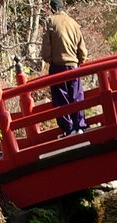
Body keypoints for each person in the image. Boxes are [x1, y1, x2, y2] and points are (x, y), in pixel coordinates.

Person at [41, 0, 88, 135]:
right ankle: (80, 125)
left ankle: (68, 128)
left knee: (61, 98)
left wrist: (49, 59)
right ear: (63, 8)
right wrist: (80, 61)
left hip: (57, 66)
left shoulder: (50, 22)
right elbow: (82, 49)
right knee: (76, 95)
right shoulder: (73, 22)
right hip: (73, 65)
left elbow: (46, 49)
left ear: (52, 8)